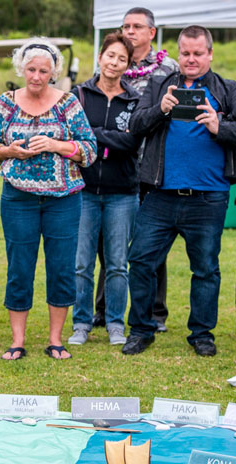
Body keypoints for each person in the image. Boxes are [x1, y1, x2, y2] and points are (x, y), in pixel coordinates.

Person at [124, 25, 236, 357]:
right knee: (140, 261)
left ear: (210, 54)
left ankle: (201, 334)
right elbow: (135, 125)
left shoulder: (226, 88)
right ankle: (141, 330)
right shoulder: (160, 84)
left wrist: (220, 126)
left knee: (205, 269)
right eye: (185, 53)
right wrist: (162, 108)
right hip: (159, 194)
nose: (191, 59)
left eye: (198, 53)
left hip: (207, 196)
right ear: (178, 53)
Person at [0, 37, 97, 360]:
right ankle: (17, 341)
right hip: (18, 198)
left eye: (43, 71)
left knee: (61, 267)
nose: (35, 76)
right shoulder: (6, 102)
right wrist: (9, 151)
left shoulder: (68, 103)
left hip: (64, 199)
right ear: (21, 68)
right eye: (30, 69)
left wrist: (56, 145)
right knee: (20, 267)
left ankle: (55, 340)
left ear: (53, 72)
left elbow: (89, 149)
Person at [102, 6, 178, 333]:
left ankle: (153, 311)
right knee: (110, 243)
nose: (130, 31)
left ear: (151, 33)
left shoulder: (168, 68)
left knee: (150, 241)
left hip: (153, 165)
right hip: (116, 164)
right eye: (125, 26)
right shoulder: (111, 61)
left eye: (137, 26)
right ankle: (106, 308)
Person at [69, 30, 141, 347]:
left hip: (122, 193)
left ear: (128, 65)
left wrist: (94, 135)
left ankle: (115, 324)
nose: (114, 62)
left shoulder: (135, 99)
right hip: (83, 191)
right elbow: (73, 134)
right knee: (82, 263)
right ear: (100, 57)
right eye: (110, 55)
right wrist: (107, 136)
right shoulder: (78, 95)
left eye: (121, 58)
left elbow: (132, 141)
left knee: (116, 264)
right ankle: (81, 323)